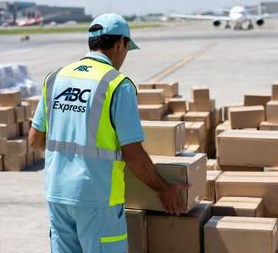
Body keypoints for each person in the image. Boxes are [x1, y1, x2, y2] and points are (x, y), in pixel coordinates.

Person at [29, 13, 189, 253]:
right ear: (120, 43)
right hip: (97, 198)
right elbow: (133, 153)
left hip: (57, 193)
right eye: (127, 48)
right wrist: (163, 189)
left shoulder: (55, 78)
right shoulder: (117, 84)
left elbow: (34, 140)